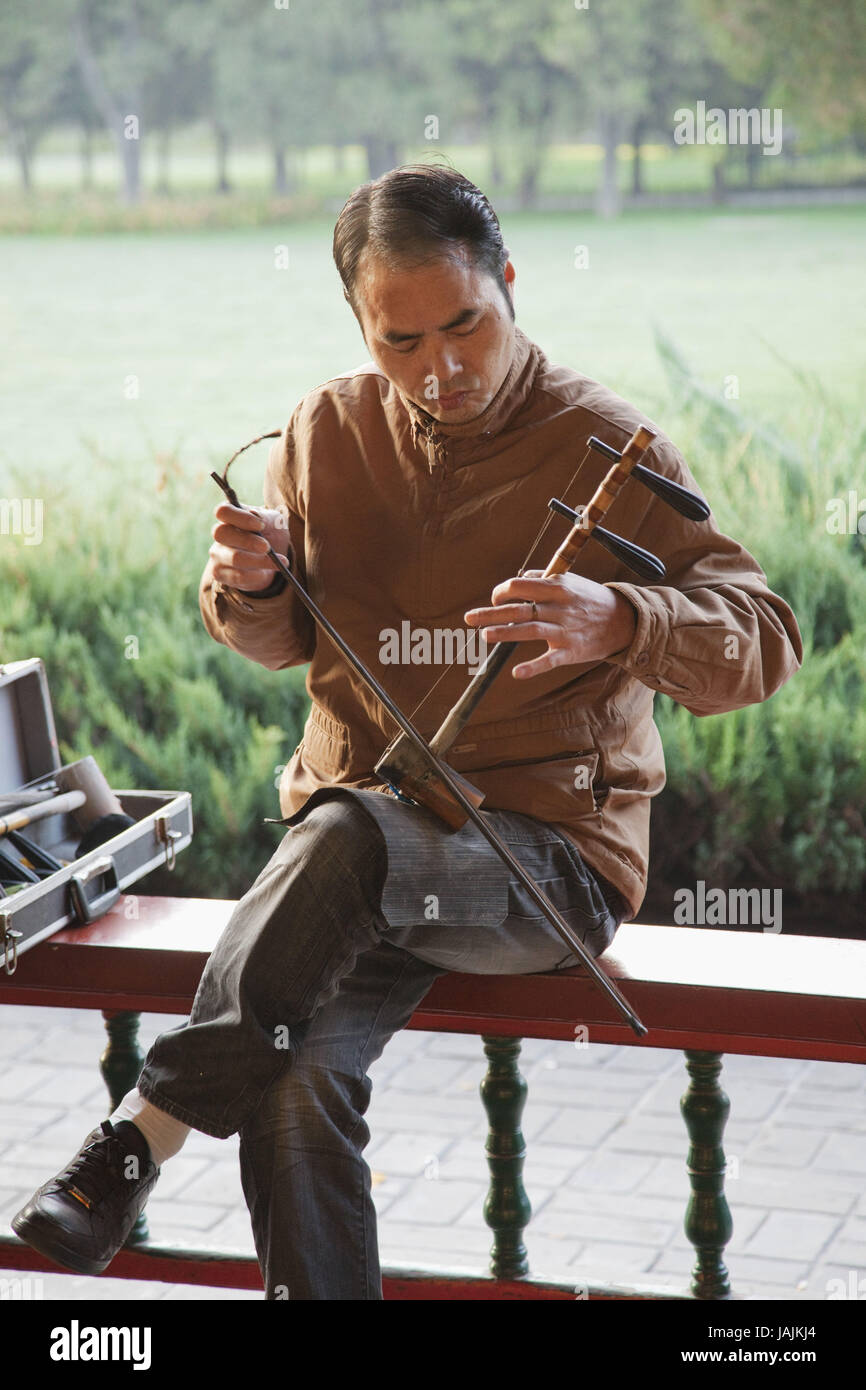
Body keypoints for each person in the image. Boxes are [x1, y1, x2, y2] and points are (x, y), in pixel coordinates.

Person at [12, 163, 802, 1300]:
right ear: (357, 326)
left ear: (509, 284)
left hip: (537, 863)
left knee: (351, 831)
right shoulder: (323, 432)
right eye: (399, 342)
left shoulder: (609, 447)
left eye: (464, 326)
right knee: (288, 1081)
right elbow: (282, 642)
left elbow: (763, 638)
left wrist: (620, 617)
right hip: (350, 870)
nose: (438, 370)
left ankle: (139, 1134)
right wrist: (251, 583)